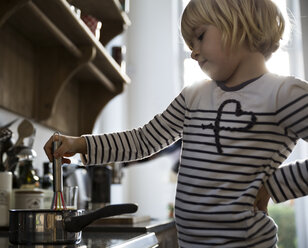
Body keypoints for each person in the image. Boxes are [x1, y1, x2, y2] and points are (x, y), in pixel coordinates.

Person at [44, 0, 308, 247]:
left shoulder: (283, 94)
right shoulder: (194, 95)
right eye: (189, 44)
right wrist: (80, 143)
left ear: (239, 24)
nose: (193, 52)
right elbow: (144, 140)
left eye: (200, 36)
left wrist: (276, 185)